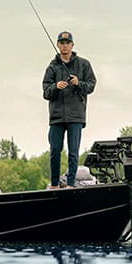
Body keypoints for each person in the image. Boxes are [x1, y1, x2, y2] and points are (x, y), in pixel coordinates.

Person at [42, 31, 96, 188]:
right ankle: (54, 184)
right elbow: (46, 92)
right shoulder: (52, 67)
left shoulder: (84, 64)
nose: (64, 45)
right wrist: (56, 87)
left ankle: (71, 183)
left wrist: (78, 83)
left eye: (67, 43)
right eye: (62, 42)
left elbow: (91, 85)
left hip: (76, 116)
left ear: (72, 45)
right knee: (55, 151)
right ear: (58, 45)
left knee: (73, 152)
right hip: (57, 116)